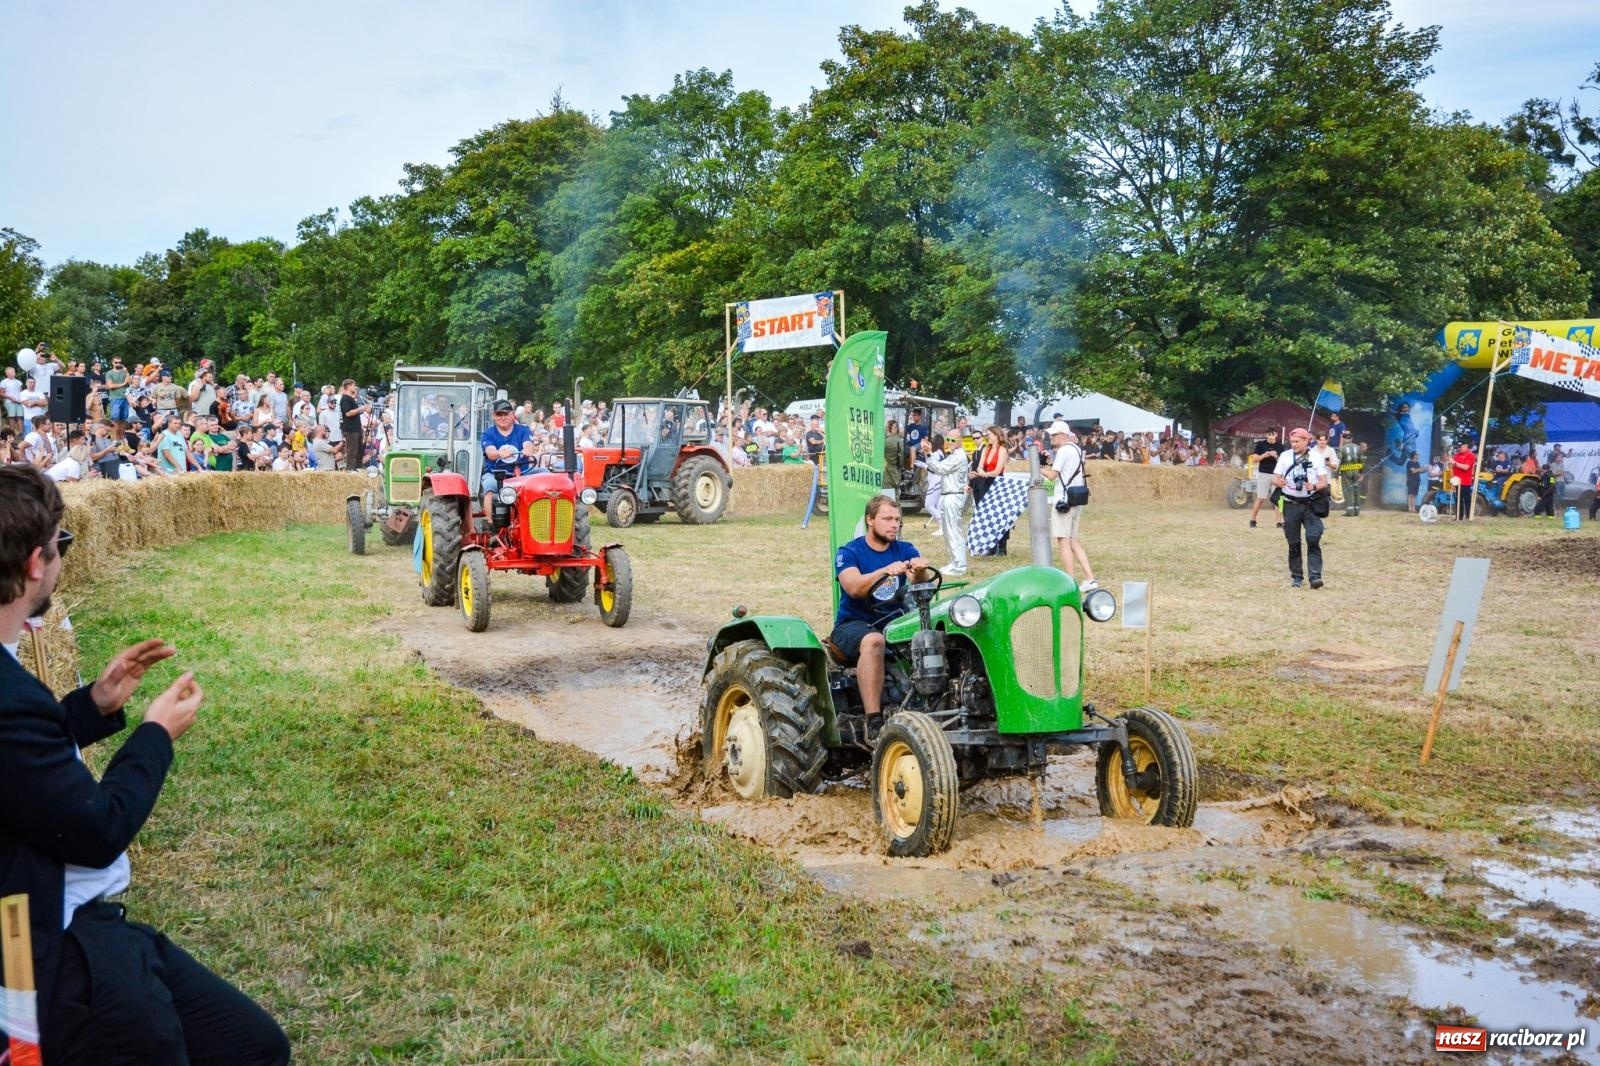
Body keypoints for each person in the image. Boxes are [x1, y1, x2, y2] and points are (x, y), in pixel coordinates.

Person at [0, 466, 290, 1064]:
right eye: (61, 546)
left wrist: (91, 706)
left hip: (71, 930)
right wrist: (156, 734)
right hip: (64, 949)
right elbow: (98, 830)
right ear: (35, 563)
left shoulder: (13, 696)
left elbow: (20, 771)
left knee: (255, 1045)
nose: (60, 559)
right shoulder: (10, 701)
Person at [830, 496, 928, 724]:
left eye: (897, 519)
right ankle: (873, 720)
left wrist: (920, 570)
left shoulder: (905, 549)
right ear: (870, 520)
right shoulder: (849, 552)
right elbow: (854, 588)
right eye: (887, 519)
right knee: (874, 641)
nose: (894, 524)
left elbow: (917, 581)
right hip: (853, 625)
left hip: (896, 622)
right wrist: (885, 571)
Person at [1041, 420, 1098, 590]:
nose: (1052, 437)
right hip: (1076, 498)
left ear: (1064, 435)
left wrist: (1038, 467)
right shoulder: (1076, 449)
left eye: (1054, 435)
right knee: (1073, 540)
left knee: (1063, 541)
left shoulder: (1064, 450)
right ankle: (1089, 578)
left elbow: (1052, 475)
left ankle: (1070, 582)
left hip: (1064, 500)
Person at [1273, 427, 1331, 588]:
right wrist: (1279, 482)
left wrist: (1313, 486)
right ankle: (1297, 576)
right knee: (1293, 541)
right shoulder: (1285, 456)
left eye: (1297, 441)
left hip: (1310, 504)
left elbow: (1323, 482)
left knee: (1313, 538)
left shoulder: (1317, 457)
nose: (1294, 444)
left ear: (1307, 440)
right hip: (1291, 504)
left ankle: (1315, 576)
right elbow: (1275, 478)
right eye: (1292, 442)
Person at [920, 433, 970, 576]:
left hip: (953, 496)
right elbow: (939, 466)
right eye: (948, 439)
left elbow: (940, 468)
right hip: (949, 495)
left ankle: (959, 564)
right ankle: (955, 562)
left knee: (953, 531)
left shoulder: (958, 456)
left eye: (952, 440)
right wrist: (929, 453)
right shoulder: (954, 455)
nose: (949, 442)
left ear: (959, 441)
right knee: (949, 531)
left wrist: (929, 454)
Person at [480, 398, 536, 515]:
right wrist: (500, 453)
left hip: (523, 473)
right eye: (499, 414)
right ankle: (491, 524)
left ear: (512, 415)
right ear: (493, 416)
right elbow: (490, 453)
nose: (503, 417)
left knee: (545, 478)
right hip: (497, 474)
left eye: (506, 414)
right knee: (489, 486)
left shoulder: (523, 430)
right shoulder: (488, 434)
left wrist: (527, 450)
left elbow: (528, 445)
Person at [970, 425, 1011, 556]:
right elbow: (980, 466)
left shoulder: (1003, 450)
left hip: (997, 483)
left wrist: (985, 473)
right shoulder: (986, 449)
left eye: (989, 435)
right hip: (985, 482)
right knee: (986, 515)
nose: (987, 437)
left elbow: (998, 470)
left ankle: (1002, 545)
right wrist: (980, 472)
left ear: (997, 435)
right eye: (986, 435)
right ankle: (990, 545)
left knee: (1000, 515)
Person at [1248, 428, 1281, 529]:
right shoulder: (1260, 445)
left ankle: (1279, 522)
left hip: (1277, 474)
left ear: (1276, 435)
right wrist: (1264, 455)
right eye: (1269, 434)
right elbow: (1254, 460)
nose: (1271, 437)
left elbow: (1283, 461)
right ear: (1266, 435)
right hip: (1263, 473)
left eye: (1273, 434)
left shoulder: (1281, 446)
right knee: (1261, 498)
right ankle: (1253, 520)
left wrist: (1276, 456)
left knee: (1277, 499)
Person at [338, 380, 369, 471]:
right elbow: (348, 413)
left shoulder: (351, 398)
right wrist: (361, 408)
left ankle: (358, 467)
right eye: (354, 385)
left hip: (356, 428)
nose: (355, 387)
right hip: (350, 429)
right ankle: (350, 468)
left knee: (359, 449)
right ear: (349, 386)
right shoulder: (345, 399)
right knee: (352, 449)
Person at [1337, 431, 1363, 516]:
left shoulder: (1342, 448)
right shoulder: (1358, 447)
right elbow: (1361, 460)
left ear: (1344, 439)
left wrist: (1336, 473)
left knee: (1348, 491)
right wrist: (1361, 473)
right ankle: (1357, 511)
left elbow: (1339, 461)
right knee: (1356, 490)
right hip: (1356, 470)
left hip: (1346, 471)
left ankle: (1350, 512)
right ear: (1352, 438)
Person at [1450, 440, 1477, 521]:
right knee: (1458, 499)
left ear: (1466, 446)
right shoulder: (1457, 455)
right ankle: (1459, 516)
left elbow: (1466, 467)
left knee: (1466, 499)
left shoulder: (1470, 455)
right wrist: (1451, 463)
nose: (1459, 448)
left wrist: (1454, 463)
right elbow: (1452, 466)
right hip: (1457, 480)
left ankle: (1468, 516)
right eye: (1458, 447)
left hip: (1465, 481)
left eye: (1461, 446)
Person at [882, 418, 904, 499]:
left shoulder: (886, 442)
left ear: (888, 428)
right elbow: (901, 460)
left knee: (887, 499)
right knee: (896, 499)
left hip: (887, 472)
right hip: (897, 472)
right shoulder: (900, 441)